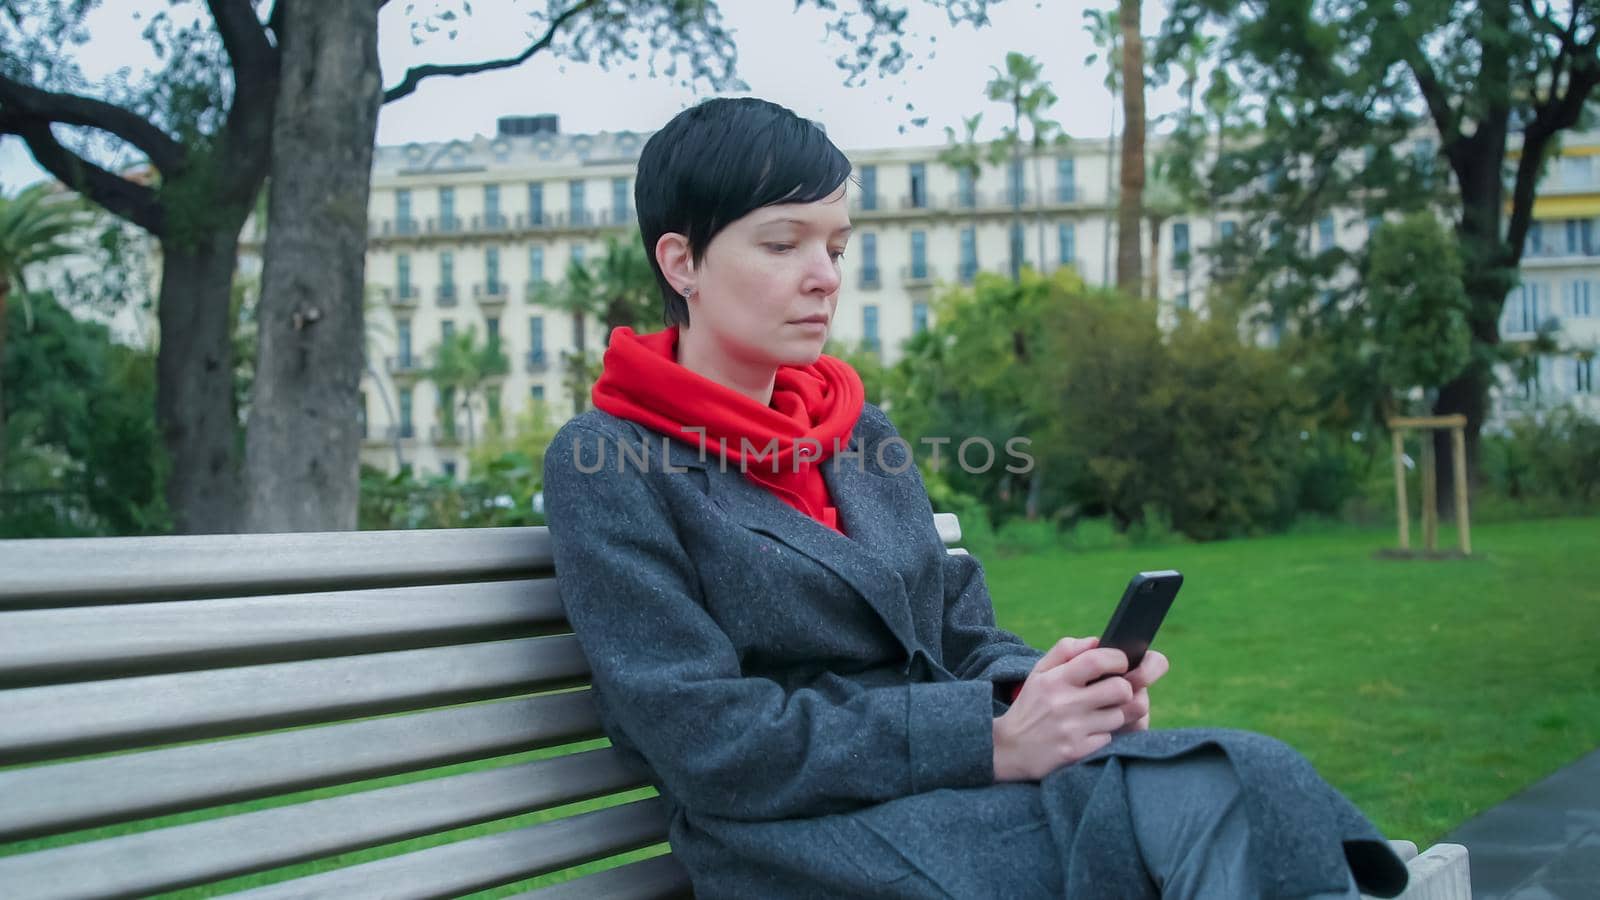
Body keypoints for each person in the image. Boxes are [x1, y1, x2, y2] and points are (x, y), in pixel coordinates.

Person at [541, 97, 1408, 900]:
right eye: (783, 244)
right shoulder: (609, 462)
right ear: (682, 260)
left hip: (948, 799)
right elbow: (709, 740)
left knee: (1247, 780)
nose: (825, 277)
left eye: (836, 248)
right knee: (1214, 804)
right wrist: (987, 740)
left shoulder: (859, 435)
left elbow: (964, 635)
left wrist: (1057, 689)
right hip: (799, 848)